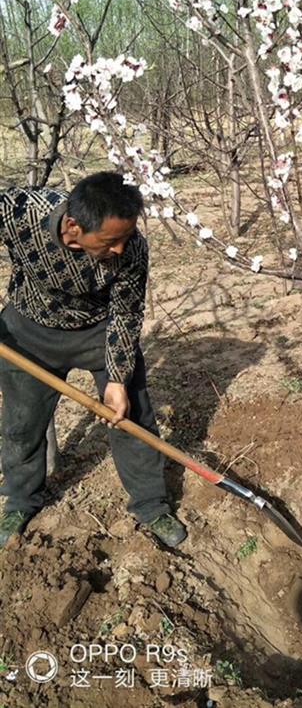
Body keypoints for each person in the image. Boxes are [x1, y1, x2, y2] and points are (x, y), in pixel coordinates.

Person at [0, 171, 187, 548]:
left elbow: (126, 314)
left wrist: (117, 379)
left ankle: (151, 506)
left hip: (98, 332)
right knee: (22, 424)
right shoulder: (20, 211)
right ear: (73, 226)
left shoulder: (131, 250)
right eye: (110, 241)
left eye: (125, 237)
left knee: (132, 416)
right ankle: (20, 501)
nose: (119, 249)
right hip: (27, 331)